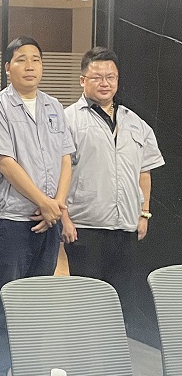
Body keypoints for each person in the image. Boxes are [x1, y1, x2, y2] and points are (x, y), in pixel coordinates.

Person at [0, 36, 74, 376]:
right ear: (8, 68)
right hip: (14, 223)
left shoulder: (54, 106)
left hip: (48, 221)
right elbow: (5, 163)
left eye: (36, 59)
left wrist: (57, 204)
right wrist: (44, 202)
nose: (30, 66)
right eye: (21, 59)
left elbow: (66, 157)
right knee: (3, 303)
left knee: (37, 304)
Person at [62, 47, 164, 333]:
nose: (105, 83)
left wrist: (144, 213)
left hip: (126, 228)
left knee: (121, 306)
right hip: (85, 227)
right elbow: (57, 174)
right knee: (87, 305)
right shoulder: (67, 120)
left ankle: (115, 359)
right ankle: (84, 358)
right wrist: (64, 218)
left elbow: (144, 171)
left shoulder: (135, 122)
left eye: (111, 77)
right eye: (97, 77)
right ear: (82, 80)